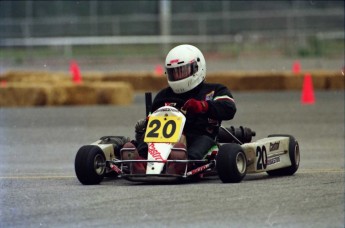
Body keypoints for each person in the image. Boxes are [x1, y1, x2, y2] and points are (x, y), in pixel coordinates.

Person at [122, 44, 237, 173]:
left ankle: (183, 163)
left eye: (182, 71)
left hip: (199, 135)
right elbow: (153, 122)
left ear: (197, 68)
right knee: (146, 138)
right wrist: (148, 121)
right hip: (164, 139)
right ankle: (140, 161)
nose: (178, 76)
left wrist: (203, 106)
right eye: (174, 72)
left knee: (201, 143)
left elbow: (229, 108)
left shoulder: (214, 90)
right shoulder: (163, 96)